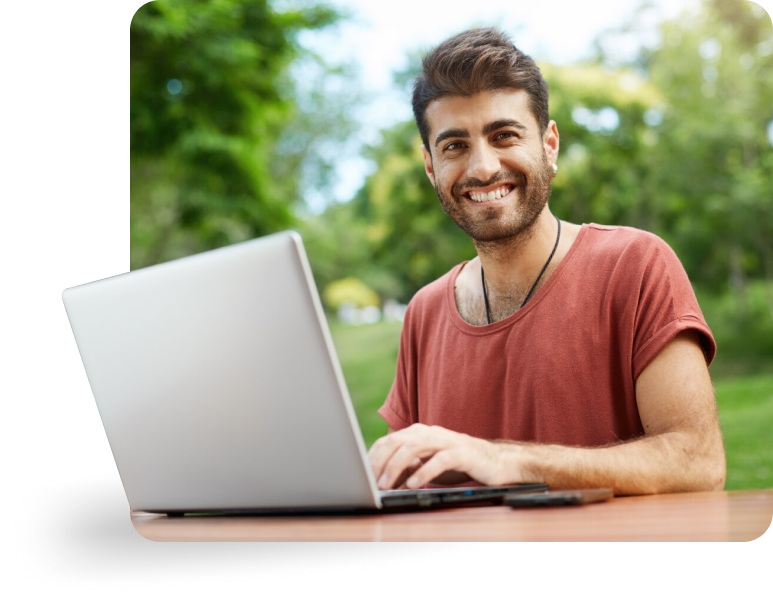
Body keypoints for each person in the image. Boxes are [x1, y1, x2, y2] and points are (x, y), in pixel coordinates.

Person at [367, 27, 726, 495]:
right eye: (454, 145)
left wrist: (507, 460)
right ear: (431, 166)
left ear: (549, 144)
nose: (482, 167)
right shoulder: (423, 313)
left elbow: (699, 463)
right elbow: (406, 488)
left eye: (504, 135)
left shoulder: (636, 265)